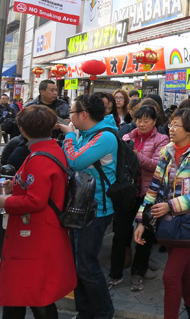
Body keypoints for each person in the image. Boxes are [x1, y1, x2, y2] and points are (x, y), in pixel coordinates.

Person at [134, 108, 190, 319]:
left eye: (175, 125)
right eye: (170, 124)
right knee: (183, 271)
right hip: (166, 225)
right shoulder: (167, 153)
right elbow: (153, 189)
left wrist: (171, 205)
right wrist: (142, 221)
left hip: (188, 223)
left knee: (170, 277)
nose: (170, 128)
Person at [0, 105, 77, 319]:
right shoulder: (49, 149)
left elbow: (35, 201)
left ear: (23, 129)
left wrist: (4, 201)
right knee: (31, 291)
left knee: (31, 291)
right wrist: (12, 187)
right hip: (42, 230)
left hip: (34, 234)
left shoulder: (38, 157)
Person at [58, 94, 118, 319]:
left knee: (86, 265)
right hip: (81, 206)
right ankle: (85, 311)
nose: (69, 117)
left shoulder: (104, 137)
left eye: (71, 113)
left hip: (97, 208)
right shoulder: (88, 133)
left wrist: (70, 137)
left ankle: (103, 312)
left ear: (83, 114)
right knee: (78, 264)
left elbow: (75, 160)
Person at [108, 106, 170, 291]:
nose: (142, 124)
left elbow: (158, 166)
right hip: (128, 193)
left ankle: (138, 273)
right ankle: (115, 274)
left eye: (146, 120)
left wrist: (137, 157)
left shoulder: (162, 139)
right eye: (139, 120)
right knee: (120, 234)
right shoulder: (127, 137)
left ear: (154, 122)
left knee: (146, 235)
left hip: (148, 194)